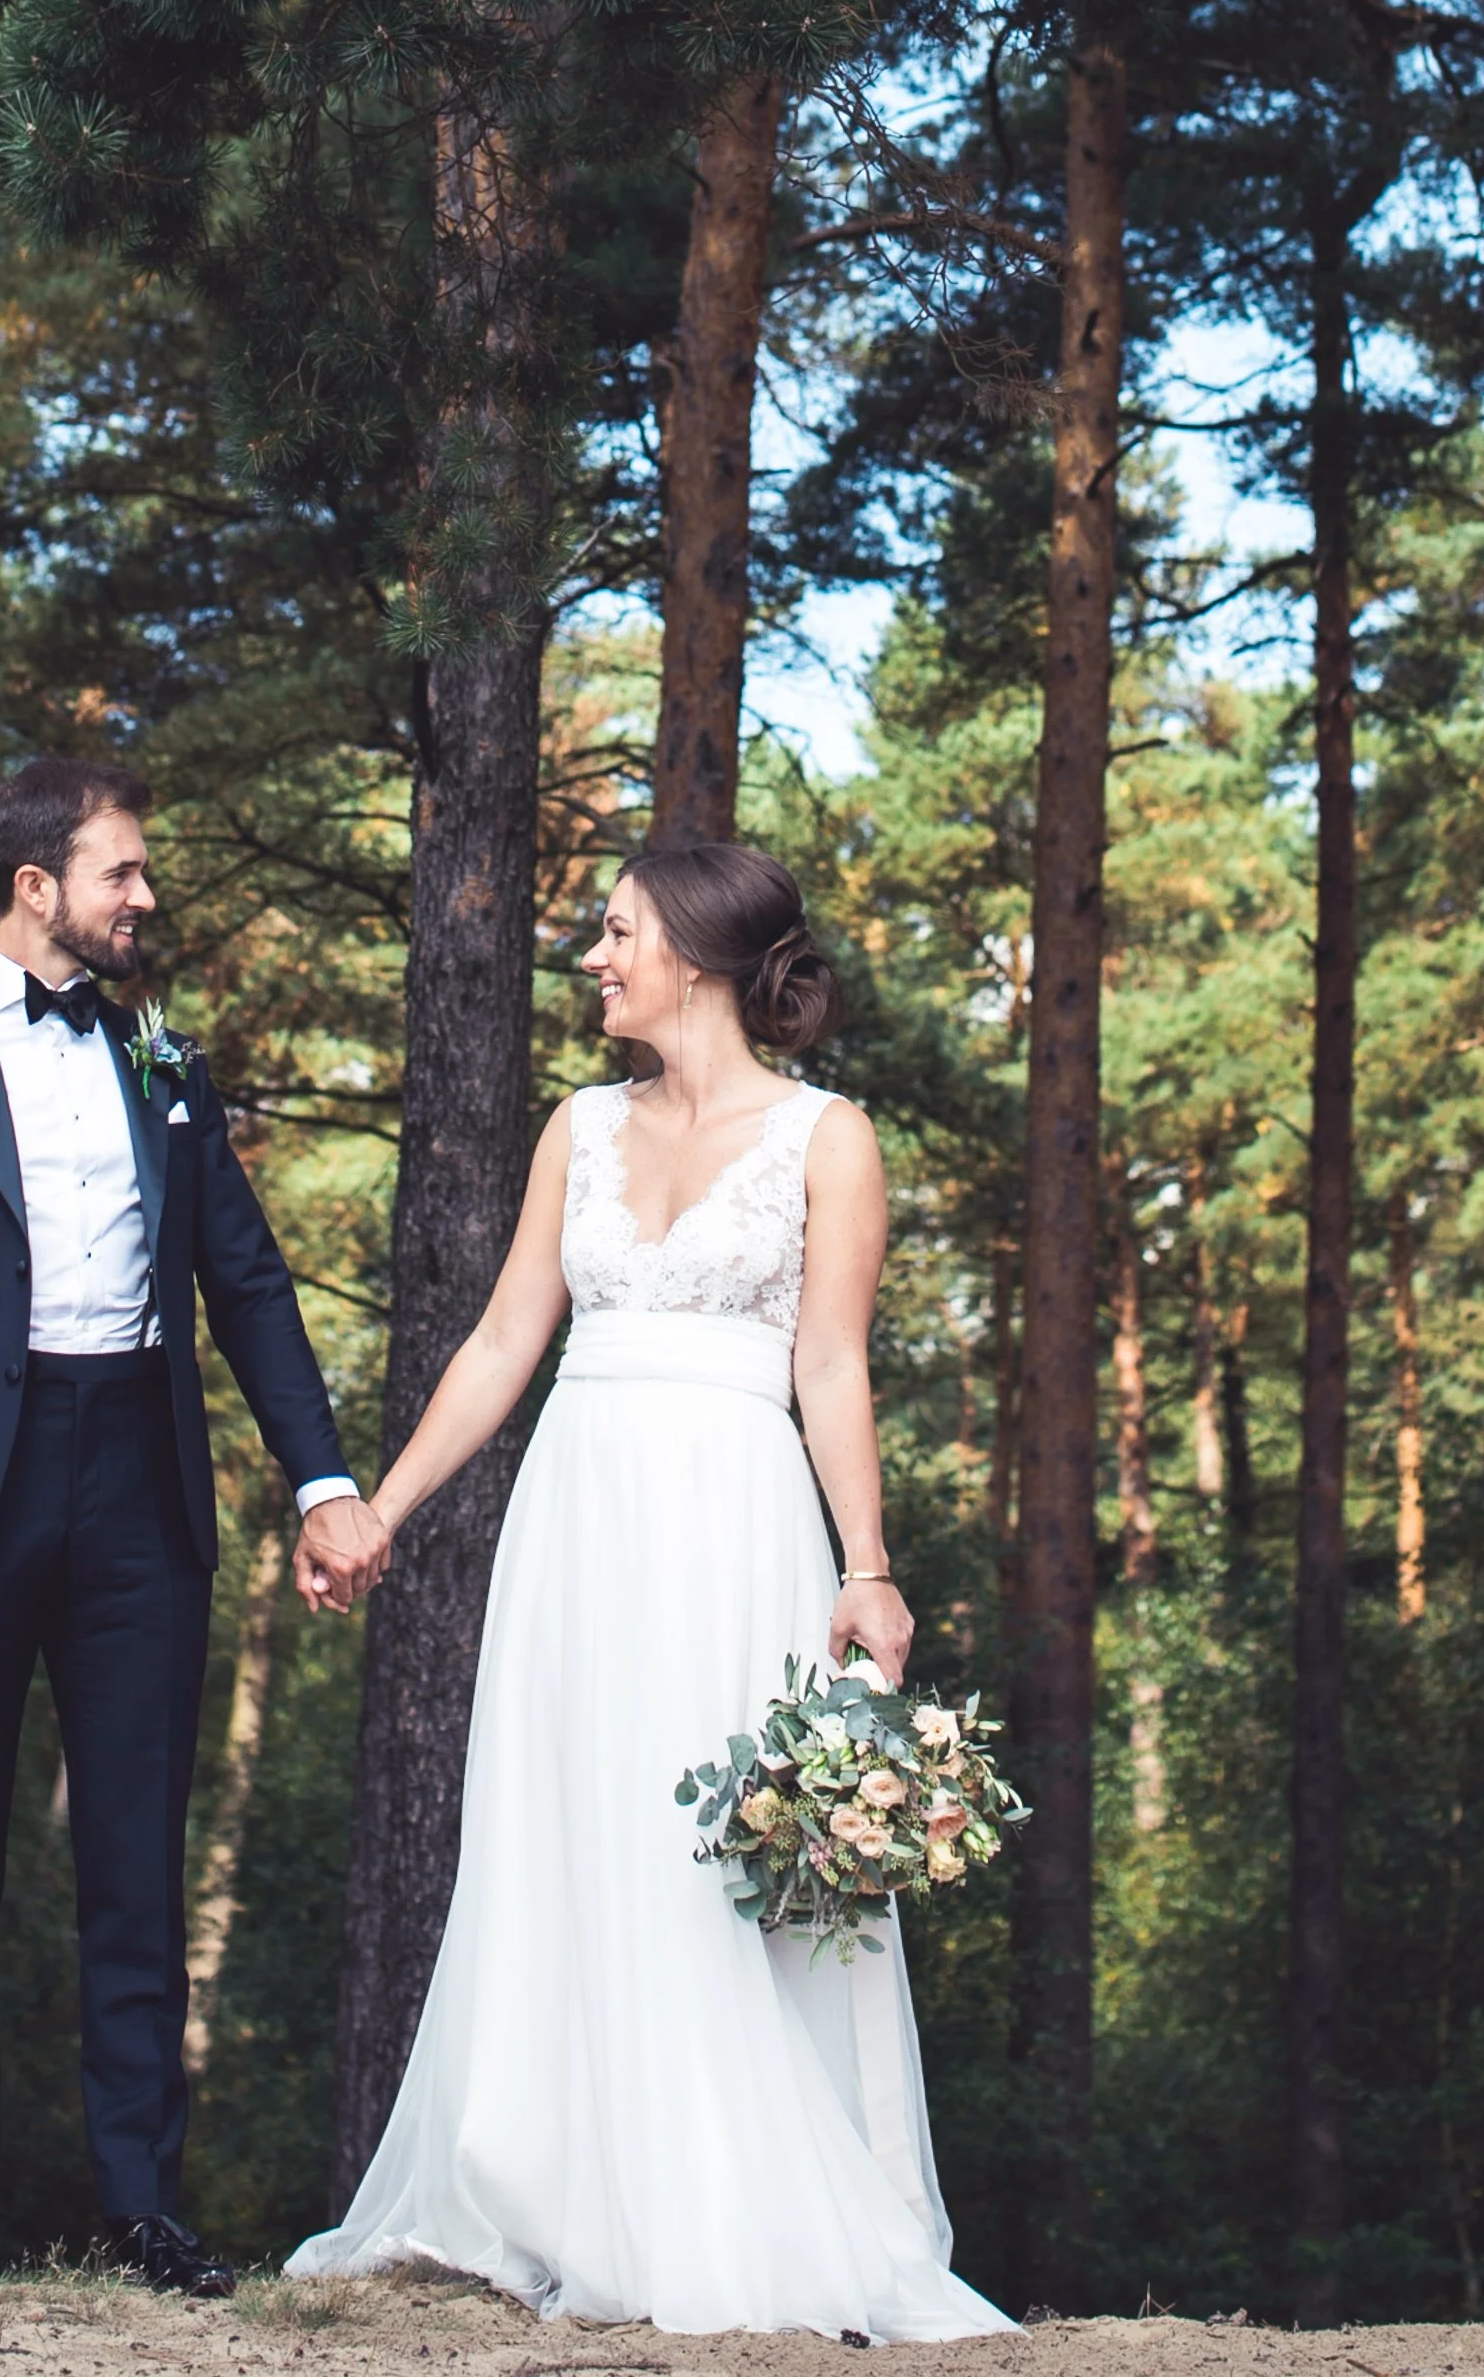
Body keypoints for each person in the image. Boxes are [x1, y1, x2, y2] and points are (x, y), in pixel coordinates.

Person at [288, 837, 1009, 2341]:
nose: (596, 957)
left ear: (694, 954)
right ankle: (563, 2193)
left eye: (616, 933)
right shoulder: (579, 1127)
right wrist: (384, 1509)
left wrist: (867, 1566)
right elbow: (502, 1342)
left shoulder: (830, 1138)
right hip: (580, 1513)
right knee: (570, 1829)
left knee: (710, 1858)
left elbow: (830, 1361)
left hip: (737, 1520)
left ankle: (726, 2203)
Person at [0, 757, 393, 2294]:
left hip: (138, 1478)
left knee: (138, 1856)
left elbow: (246, 1281)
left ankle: (147, 2212)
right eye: (122, 872)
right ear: (35, 887)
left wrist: (324, 1481)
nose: (146, 897)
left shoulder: (165, 1061)